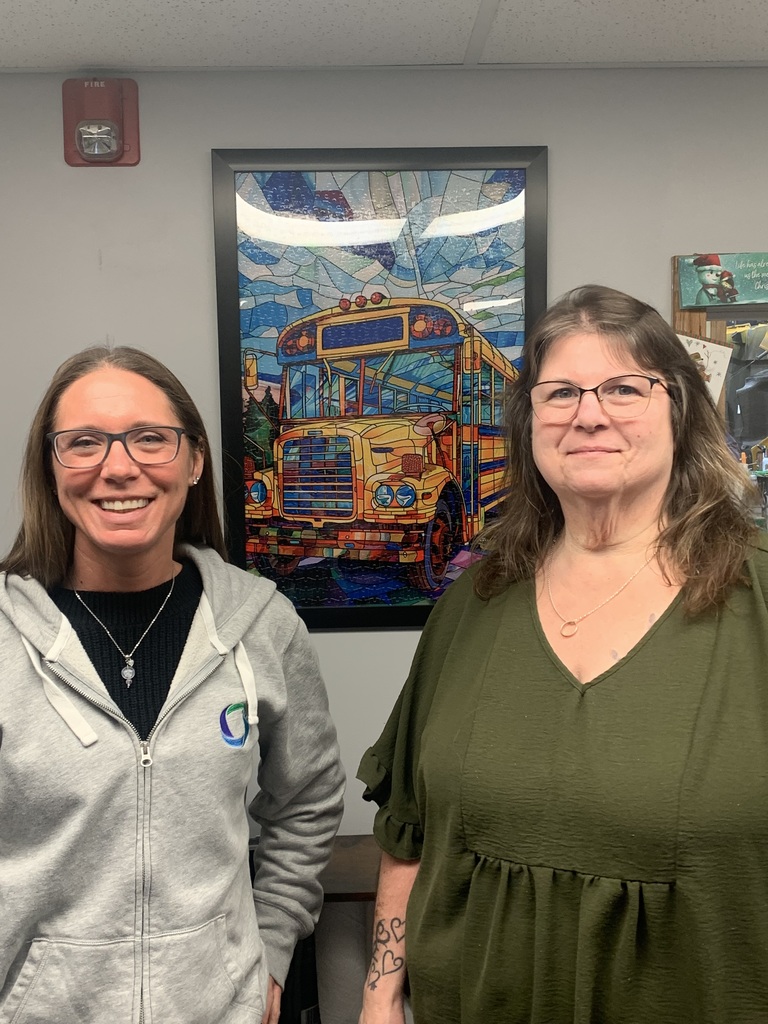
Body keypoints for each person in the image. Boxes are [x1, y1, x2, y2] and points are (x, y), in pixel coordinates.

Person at [357, 284, 766, 1024]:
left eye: (622, 388)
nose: (589, 413)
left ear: (679, 408)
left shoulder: (759, 595)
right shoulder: (471, 605)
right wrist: (380, 996)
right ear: (530, 423)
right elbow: (410, 831)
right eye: (561, 393)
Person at [0, 346, 345, 1024]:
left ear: (193, 461)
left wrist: (270, 951)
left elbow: (307, 802)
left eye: (150, 439)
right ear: (52, 466)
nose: (118, 466)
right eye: (84, 443)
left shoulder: (262, 625)